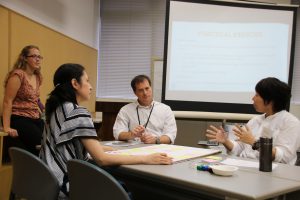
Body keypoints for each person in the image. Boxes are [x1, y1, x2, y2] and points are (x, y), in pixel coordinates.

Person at [39, 63, 172, 199]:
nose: (91, 86)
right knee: (125, 190)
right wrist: (147, 159)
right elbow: (102, 159)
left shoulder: (56, 109)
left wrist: (101, 147)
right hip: (66, 185)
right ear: (75, 83)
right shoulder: (78, 112)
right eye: (87, 80)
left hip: (47, 182)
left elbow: (68, 142)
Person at [206, 77, 300, 165]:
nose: (253, 99)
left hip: (271, 173)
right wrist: (225, 141)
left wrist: (254, 143)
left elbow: (284, 158)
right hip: (244, 166)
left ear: (270, 100)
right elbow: (239, 149)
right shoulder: (255, 120)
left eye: (257, 95)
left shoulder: (291, 123)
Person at [2, 45, 44, 158]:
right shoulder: (18, 75)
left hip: (35, 118)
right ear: (25, 58)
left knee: (52, 141)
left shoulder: (38, 76)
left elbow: (35, 98)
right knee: (41, 146)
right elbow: (7, 101)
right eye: (34, 56)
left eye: (39, 57)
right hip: (19, 117)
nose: (38, 59)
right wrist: (6, 127)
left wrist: (44, 110)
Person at [113, 75, 177, 144]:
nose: (145, 93)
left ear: (151, 88)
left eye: (147, 88)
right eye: (140, 90)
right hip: (133, 149)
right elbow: (117, 133)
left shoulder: (165, 109)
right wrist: (131, 135)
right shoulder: (125, 110)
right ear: (135, 93)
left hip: (157, 147)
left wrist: (155, 140)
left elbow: (170, 136)